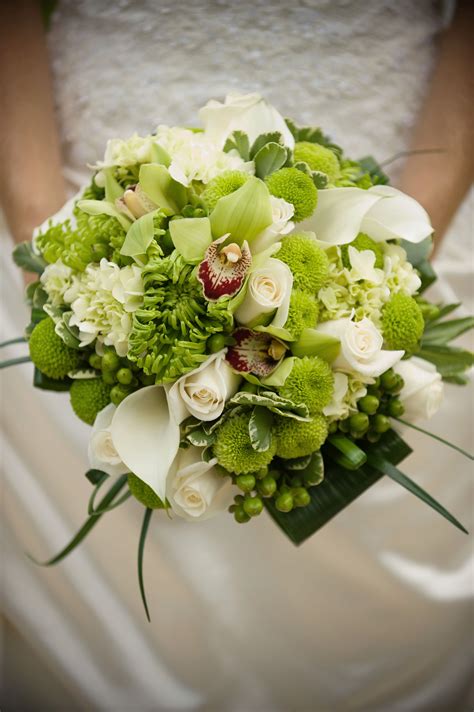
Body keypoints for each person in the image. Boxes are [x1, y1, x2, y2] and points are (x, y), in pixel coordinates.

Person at [1, 2, 472, 710]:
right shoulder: (67, 276)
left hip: (398, 202)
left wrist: (392, 266)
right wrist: (47, 265)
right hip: (94, 197)